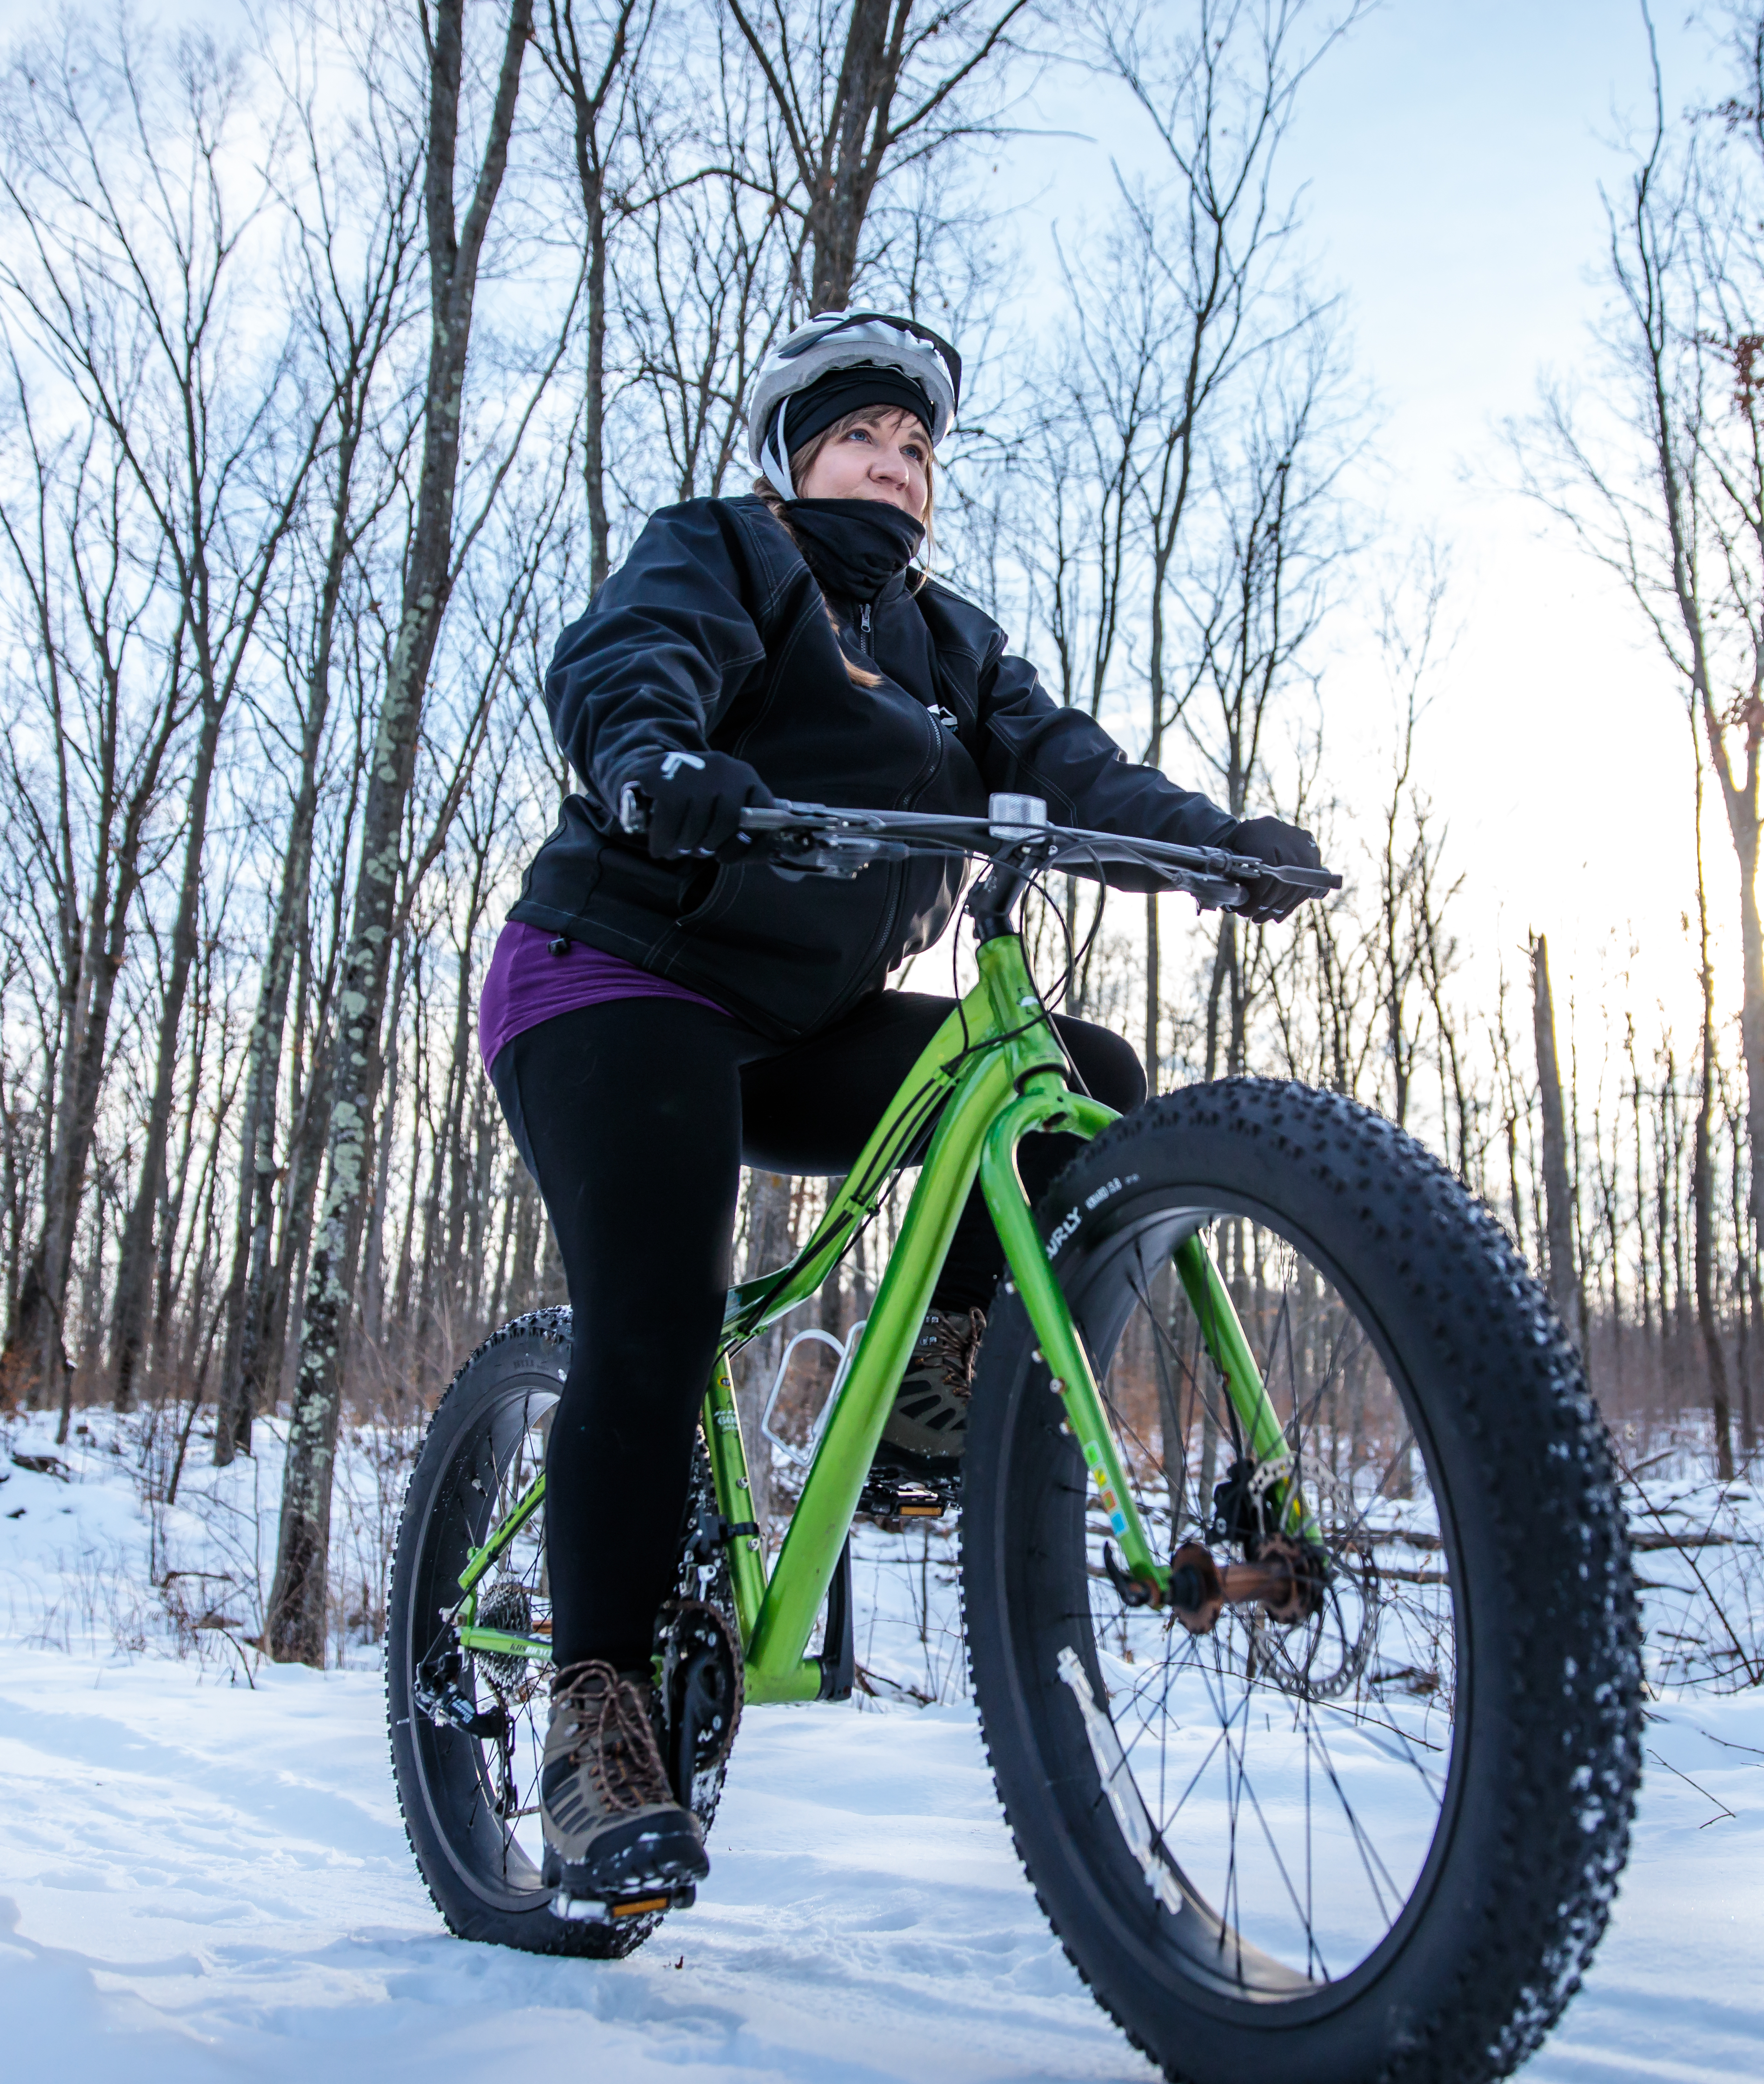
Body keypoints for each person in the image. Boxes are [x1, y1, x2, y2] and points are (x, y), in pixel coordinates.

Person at [483, 311, 1325, 1907]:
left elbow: (1073, 766)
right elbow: (627, 663)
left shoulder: (953, 646)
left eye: (919, 448)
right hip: (616, 973)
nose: (896, 462)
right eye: (864, 436)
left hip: (799, 1020)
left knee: (1084, 1083)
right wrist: (657, 757)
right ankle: (592, 1725)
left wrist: (1207, 841)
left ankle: (932, 1401)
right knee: (657, 1319)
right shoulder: (723, 553)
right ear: (797, 461)